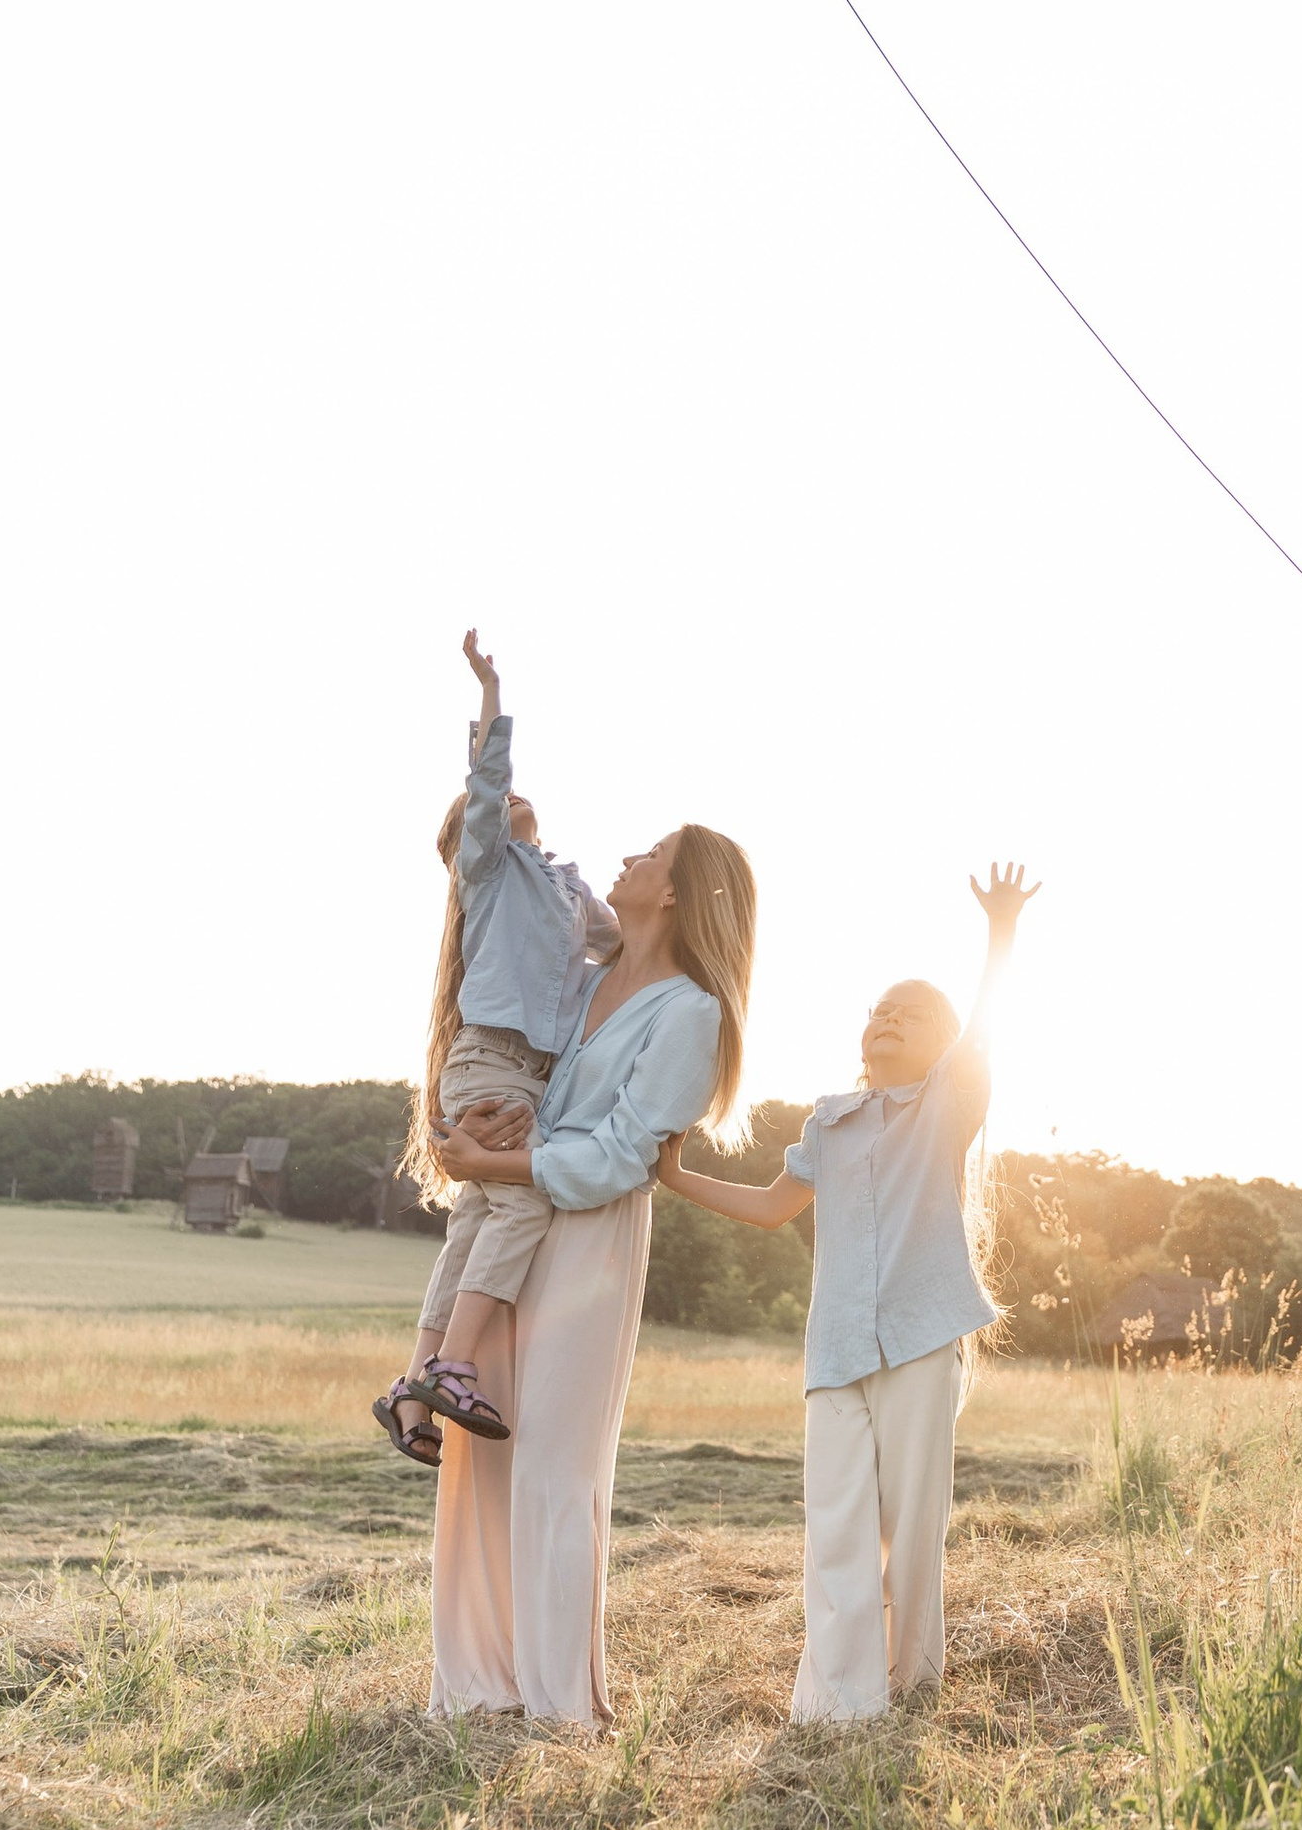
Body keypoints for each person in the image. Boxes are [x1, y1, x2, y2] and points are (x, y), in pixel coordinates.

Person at [656, 862, 1038, 1721]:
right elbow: (770, 1208)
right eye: (879, 1010)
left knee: (911, 1530)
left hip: (921, 1339)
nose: (888, 1019)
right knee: (836, 1527)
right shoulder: (829, 1121)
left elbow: (981, 1039)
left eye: (910, 1014)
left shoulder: (944, 1108)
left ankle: (912, 1683)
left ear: (941, 1044)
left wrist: (1001, 931)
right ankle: (840, 1701)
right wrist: (677, 1177)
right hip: (834, 1351)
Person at [427, 814, 756, 1728]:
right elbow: (510, 1058)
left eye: (651, 855)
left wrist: (500, 1163)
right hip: (516, 1218)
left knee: (553, 1464)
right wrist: (471, 1131)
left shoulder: (693, 1013)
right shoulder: (582, 975)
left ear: (678, 892)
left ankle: (559, 1700)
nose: (628, 857)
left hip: (589, 1236)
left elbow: (622, 1155)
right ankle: (479, 1685)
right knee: (484, 1452)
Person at [375, 630, 617, 1465]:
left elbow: (621, 951)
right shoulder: (487, 870)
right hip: (491, 1062)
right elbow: (486, 779)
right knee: (523, 1204)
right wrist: (490, 693)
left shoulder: (569, 888)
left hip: (521, 1073)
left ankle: (413, 1388)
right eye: (485, 804)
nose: (508, 797)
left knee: (477, 1217)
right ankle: (454, 1366)